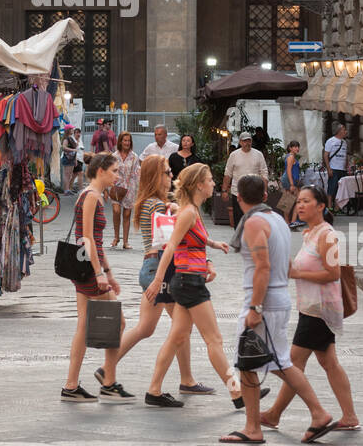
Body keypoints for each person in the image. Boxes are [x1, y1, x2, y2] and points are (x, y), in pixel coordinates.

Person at [222, 175, 334, 445]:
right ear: (264, 196)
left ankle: (254, 427)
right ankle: (315, 413)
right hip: (278, 296)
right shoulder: (278, 221)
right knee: (278, 361)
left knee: (253, 363)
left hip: (265, 300)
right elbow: (283, 263)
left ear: (239, 198)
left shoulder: (253, 223)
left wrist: (255, 307)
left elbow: (263, 267)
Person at [95, 155, 215, 395]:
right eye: (167, 173)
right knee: (181, 328)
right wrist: (179, 209)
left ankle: (107, 368)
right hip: (161, 268)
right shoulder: (158, 205)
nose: (171, 176)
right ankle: (185, 381)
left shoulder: (154, 202)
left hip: (152, 268)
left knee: (147, 328)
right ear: (155, 176)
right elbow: (177, 240)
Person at [259, 185, 360, 432]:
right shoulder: (309, 234)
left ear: (321, 206)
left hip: (320, 309)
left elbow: (333, 273)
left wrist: (297, 273)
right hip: (311, 307)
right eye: (299, 202)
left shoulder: (327, 234)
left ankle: (278, 414)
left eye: (306, 201)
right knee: (329, 363)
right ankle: (349, 417)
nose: (300, 205)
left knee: (292, 362)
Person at [143, 163, 238, 408]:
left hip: (188, 280)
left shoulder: (192, 211)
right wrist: (157, 279)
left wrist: (214, 247)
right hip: (189, 283)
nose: (214, 184)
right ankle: (239, 394)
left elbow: (196, 239)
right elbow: (171, 246)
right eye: (210, 179)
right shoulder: (188, 212)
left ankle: (153, 391)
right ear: (199, 184)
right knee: (214, 339)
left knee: (177, 337)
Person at [61, 153, 133, 403]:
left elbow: (94, 241)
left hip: (87, 268)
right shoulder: (91, 196)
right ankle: (108, 380)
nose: (117, 176)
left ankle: (72, 385)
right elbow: (89, 238)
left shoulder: (90, 195)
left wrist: (108, 271)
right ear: (100, 171)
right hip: (90, 269)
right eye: (114, 171)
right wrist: (101, 273)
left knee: (84, 324)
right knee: (119, 322)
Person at [221, 131, 268, 227]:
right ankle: (240, 240)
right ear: (240, 142)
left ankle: (252, 239)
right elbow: (228, 174)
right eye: (244, 141)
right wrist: (224, 190)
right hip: (237, 192)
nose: (247, 143)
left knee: (254, 219)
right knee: (239, 220)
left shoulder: (258, 154)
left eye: (249, 141)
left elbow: (264, 173)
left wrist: (265, 190)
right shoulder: (234, 155)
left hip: (255, 192)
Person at [110, 130, 140, 249]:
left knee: (127, 214)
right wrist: (107, 188)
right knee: (116, 211)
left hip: (130, 187)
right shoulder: (114, 156)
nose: (127, 143)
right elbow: (110, 171)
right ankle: (116, 237)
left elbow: (137, 173)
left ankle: (125, 241)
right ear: (120, 142)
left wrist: (139, 189)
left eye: (129, 141)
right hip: (116, 186)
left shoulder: (134, 157)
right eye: (125, 140)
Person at [324, 123, 349, 210]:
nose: (346, 131)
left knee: (341, 189)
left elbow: (346, 155)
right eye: (344, 129)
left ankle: (337, 207)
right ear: (339, 131)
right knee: (332, 188)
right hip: (334, 168)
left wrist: (347, 166)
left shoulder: (344, 142)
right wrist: (328, 168)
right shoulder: (330, 141)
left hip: (342, 169)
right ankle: (329, 207)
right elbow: (326, 155)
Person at [280, 139, 303, 227]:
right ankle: (291, 221)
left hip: (290, 179)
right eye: (295, 147)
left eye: (298, 147)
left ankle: (288, 222)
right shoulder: (291, 157)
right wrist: (292, 184)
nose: (297, 148)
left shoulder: (289, 156)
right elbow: (289, 170)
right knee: (297, 199)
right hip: (290, 180)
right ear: (290, 148)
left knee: (287, 200)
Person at [61, 125, 80, 193]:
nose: (73, 130)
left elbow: (75, 148)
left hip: (71, 159)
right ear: (68, 130)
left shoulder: (71, 138)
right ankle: (66, 190)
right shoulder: (66, 139)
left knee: (69, 174)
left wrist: (75, 159)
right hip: (67, 159)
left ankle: (68, 189)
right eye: (71, 129)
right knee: (67, 174)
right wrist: (73, 150)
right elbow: (64, 147)